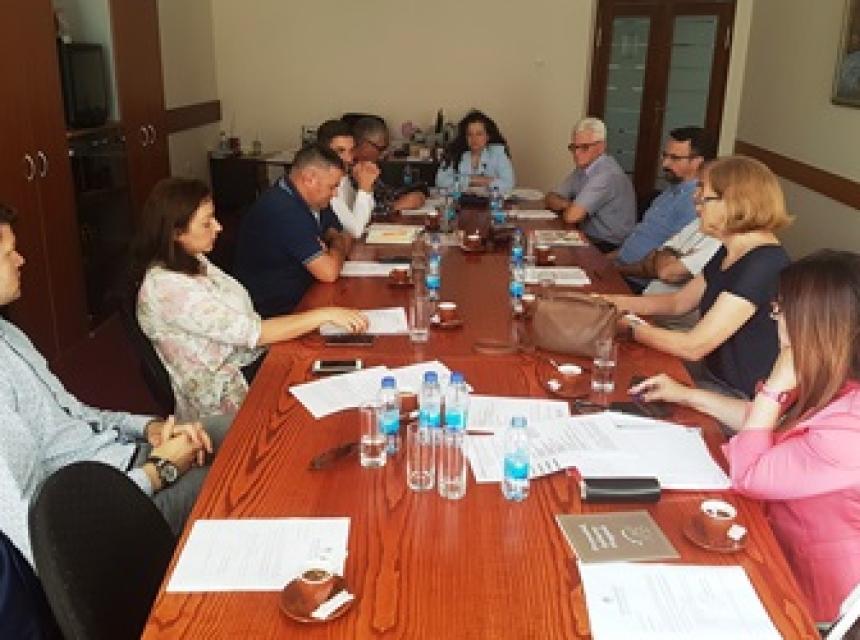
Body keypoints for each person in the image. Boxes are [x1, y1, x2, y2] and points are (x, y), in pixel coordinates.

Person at [629, 250, 860, 624]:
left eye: (781, 308)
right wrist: (687, 395)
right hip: (769, 538)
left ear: (816, 320)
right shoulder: (838, 380)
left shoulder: (850, 427)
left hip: (808, 589)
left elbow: (750, 474)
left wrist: (774, 388)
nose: (775, 318)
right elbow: (771, 427)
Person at [0, 203, 224, 565]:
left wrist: (148, 429)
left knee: (240, 431)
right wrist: (159, 471)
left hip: (120, 458)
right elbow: (43, 543)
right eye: (9, 253)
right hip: (106, 510)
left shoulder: (8, 334)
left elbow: (76, 413)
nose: (21, 260)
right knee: (237, 480)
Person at [134, 178, 367, 420]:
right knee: (326, 411)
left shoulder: (194, 260)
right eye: (206, 223)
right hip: (227, 401)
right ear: (176, 233)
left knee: (336, 366)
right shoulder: (167, 288)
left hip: (252, 363)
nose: (218, 227)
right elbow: (254, 333)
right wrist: (325, 314)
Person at [607, 155, 791, 399]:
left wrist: (628, 327)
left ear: (734, 203)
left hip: (739, 396)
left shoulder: (762, 264)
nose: (696, 199)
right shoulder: (730, 249)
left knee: (617, 381)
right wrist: (609, 301)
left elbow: (694, 346)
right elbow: (678, 303)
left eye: (704, 194)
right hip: (711, 375)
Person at [235, 145, 354, 317]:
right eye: (332, 186)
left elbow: (343, 235)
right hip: (277, 312)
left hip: (308, 294)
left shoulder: (311, 199)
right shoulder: (282, 210)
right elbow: (329, 272)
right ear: (309, 178)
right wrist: (336, 244)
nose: (335, 194)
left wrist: (334, 245)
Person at [613, 126, 716, 272]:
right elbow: (636, 241)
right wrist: (603, 262)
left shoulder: (695, 203)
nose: (665, 164)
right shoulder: (671, 190)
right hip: (619, 266)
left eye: (674, 158)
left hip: (635, 279)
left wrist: (616, 270)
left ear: (697, 162)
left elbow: (667, 264)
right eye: (664, 155)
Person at [545, 117, 635, 252]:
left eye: (584, 147)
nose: (576, 153)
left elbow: (571, 217)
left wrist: (570, 208)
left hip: (608, 245)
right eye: (574, 147)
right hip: (587, 236)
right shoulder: (582, 168)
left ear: (601, 147)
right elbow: (550, 197)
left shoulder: (606, 174)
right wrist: (569, 205)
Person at [316, 119, 379, 238]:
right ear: (323, 153)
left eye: (352, 150)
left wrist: (368, 186)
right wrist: (364, 188)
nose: (349, 159)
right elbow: (355, 231)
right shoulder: (324, 182)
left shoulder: (344, 177)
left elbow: (364, 217)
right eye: (340, 151)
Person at [351, 116, 426, 211]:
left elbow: (385, 194)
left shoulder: (367, 165)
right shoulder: (350, 170)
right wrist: (395, 206)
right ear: (365, 145)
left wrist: (415, 192)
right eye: (381, 149)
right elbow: (359, 211)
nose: (384, 153)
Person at [435, 109, 515, 193]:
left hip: (490, 200)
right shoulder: (455, 152)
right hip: (460, 199)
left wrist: (462, 181)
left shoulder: (498, 152)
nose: (474, 139)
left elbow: (509, 183)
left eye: (479, 134)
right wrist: (473, 180)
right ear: (465, 137)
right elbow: (440, 181)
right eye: (470, 134)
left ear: (487, 136)